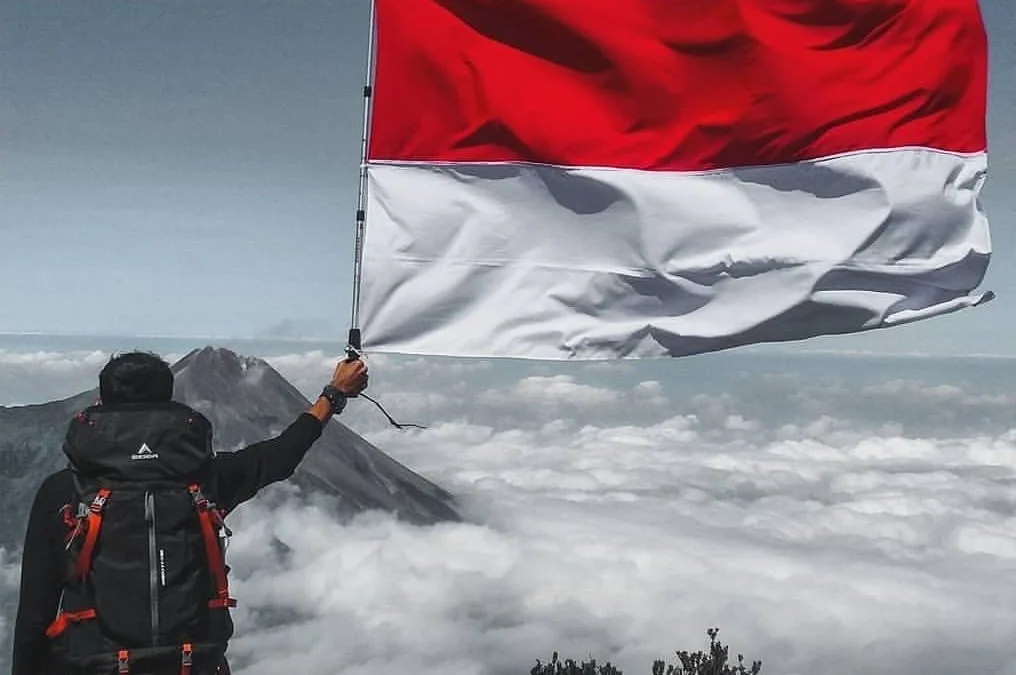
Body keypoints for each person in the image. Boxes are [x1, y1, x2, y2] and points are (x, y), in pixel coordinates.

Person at [11, 350, 368, 675]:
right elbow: (281, 454)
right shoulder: (206, 481)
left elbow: (34, 614)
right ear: (168, 402)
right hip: (190, 664)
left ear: (101, 403)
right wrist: (332, 396)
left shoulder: (64, 491)